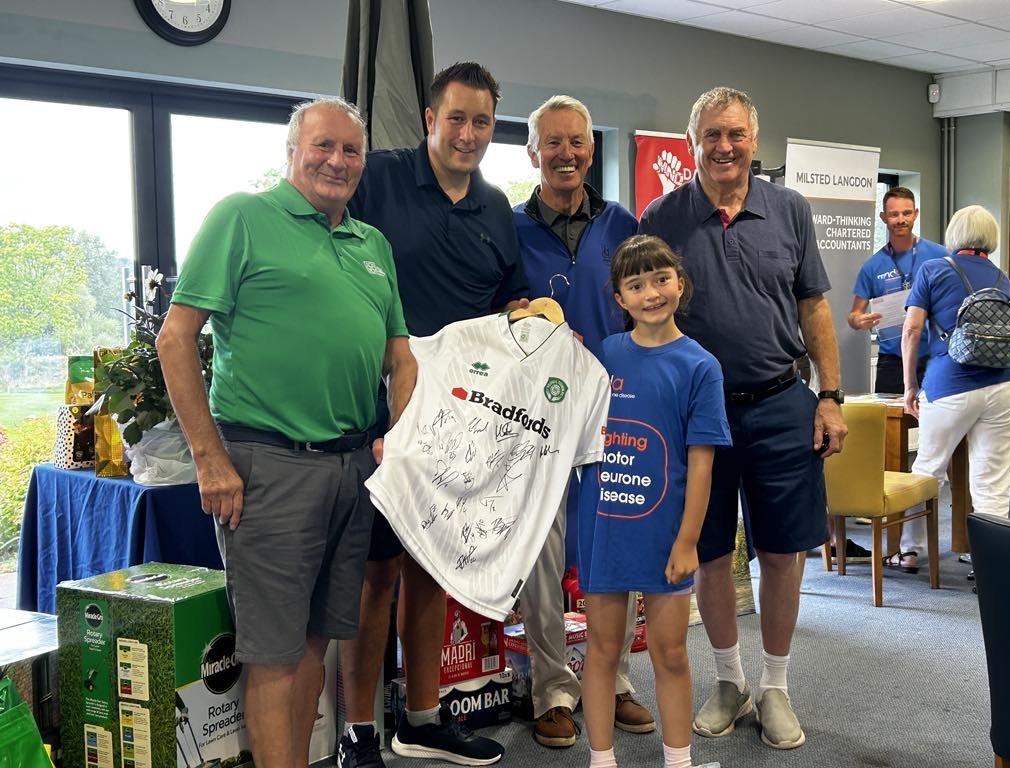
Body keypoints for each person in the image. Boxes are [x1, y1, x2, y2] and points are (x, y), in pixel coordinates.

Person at [155, 97, 416, 768]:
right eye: (323, 146)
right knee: (273, 658)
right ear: (292, 152)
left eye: (351, 150)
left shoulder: (371, 243)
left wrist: (401, 432)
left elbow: (402, 355)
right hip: (269, 465)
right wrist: (209, 459)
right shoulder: (242, 217)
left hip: (353, 467)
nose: (337, 160)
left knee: (312, 647)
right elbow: (176, 338)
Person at [639, 86, 847, 751]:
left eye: (735, 135)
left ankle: (776, 686)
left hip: (782, 403)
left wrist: (830, 396)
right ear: (692, 140)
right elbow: (642, 313)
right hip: (695, 412)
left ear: (754, 141)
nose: (724, 148)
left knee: (784, 552)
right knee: (709, 554)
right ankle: (729, 680)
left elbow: (813, 308)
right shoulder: (663, 216)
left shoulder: (788, 210)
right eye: (711, 136)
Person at [338, 62, 529, 768]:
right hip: (379, 415)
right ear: (429, 117)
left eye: (482, 122)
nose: (468, 134)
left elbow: (511, 304)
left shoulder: (495, 209)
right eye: (457, 118)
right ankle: (359, 729)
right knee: (375, 576)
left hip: (459, 422)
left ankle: (420, 718)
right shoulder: (378, 177)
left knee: (431, 572)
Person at [512, 94, 654, 748]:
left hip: (613, 414)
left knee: (612, 559)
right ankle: (553, 691)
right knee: (543, 563)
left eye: (577, 142)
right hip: (536, 422)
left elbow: (651, 310)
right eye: (552, 143)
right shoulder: (508, 228)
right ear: (532, 152)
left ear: (590, 151)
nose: (566, 154)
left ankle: (616, 679)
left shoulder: (625, 224)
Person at [578, 234, 730, 768]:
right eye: (636, 284)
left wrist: (688, 540)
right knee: (600, 650)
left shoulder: (700, 366)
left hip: (667, 534)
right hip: (604, 527)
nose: (651, 293)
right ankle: (601, 759)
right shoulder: (604, 355)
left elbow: (703, 463)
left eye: (660, 279)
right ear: (619, 298)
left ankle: (678, 761)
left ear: (680, 283)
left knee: (669, 652)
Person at [895, 204, 1010, 574]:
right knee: (992, 478)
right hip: (1008, 381)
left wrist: (909, 387)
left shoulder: (933, 269)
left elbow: (911, 330)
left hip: (951, 382)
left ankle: (910, 550)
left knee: (926, 470)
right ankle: (992, 564)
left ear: (954, 235)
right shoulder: (1002, 278)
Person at [848, 187, 947, 394]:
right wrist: (860, 321)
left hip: (934, 357)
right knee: (889, 425)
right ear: (884, 217)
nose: (901, 219)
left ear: (916, 214)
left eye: (907, 213)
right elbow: (854, 315)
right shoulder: (872, 266)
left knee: (937, 425)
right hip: (892, 362)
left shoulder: (940, 255)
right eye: (894, 214)